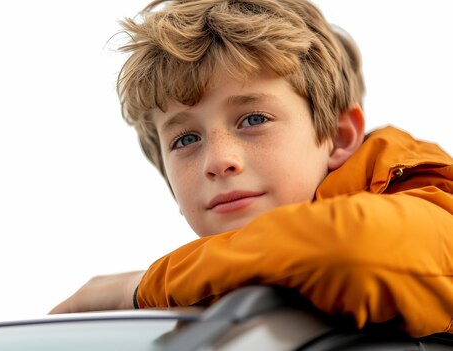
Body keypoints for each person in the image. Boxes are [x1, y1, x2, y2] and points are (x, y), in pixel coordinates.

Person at [50, 0, 453, 337]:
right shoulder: (218, 308)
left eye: (254, 119)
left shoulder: (430, 200)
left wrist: (139, 289)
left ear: (339, 136)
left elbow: (353, 250)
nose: (218, 161)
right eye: (186, 140)